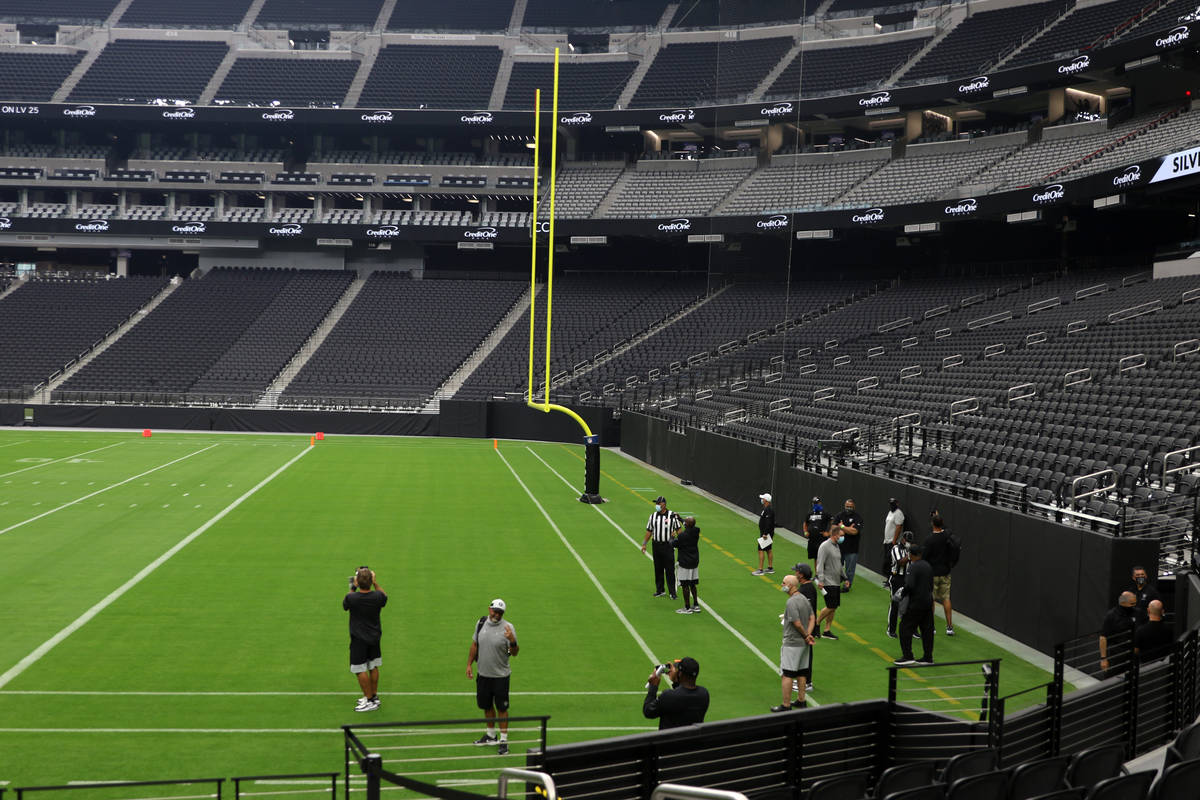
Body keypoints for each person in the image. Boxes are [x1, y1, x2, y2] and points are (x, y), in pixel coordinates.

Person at [467, 599, 519, 755]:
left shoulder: (508, 628)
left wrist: (512, 642)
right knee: (487, 706)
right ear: (489, 609)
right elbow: (475, 645)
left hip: (500, 676)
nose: (496, 614)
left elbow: (513, 654)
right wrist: (469, 664)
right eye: (495, 611)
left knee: (502, 708)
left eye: (500, 613)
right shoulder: (481, 623)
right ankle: (490, 735)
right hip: (483, 674)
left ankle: (503, 739)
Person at [344, 566, 387, 712]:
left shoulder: (352, 597)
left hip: (359, 640)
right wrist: (375, 583)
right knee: (373, 666)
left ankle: (369, 700)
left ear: (357, 581)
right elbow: (384, 596)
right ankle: (373, 697)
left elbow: (345, 603)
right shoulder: (377, 597)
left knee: (359, 669)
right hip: (374, 638)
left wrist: (353, 586)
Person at [772, 574, 816, 711]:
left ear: (791, 585)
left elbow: (796, 623)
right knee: (802, 673)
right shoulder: (803, 599)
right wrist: (808, 635)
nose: (782, 585)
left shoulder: (791, 602)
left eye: (784, 583)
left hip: (792, 643)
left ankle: (786, 705)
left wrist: (804, 634)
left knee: (787, 674)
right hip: (804, 644)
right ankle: (801, 700)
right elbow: (812, 617)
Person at [894, 544, 934, 666]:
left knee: (904, 628)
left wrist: (901, 593)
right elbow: (931, 585)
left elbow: (910, 585)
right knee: (927, 630)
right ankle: (928, 657)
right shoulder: (928, 566)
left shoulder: (913, 567)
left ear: (911, 555)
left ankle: (908, 656)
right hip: (928, 602)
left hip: (916, 603)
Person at [643, 657, 709, 729]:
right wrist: (676, 680)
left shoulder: (668, 696)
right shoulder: (704, 694)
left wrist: (653, 687)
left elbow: (648, 711)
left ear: (680, 673)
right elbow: (684, 694)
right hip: (692, 738)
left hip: (671, 739)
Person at [922, 512, 956, 635]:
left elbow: (924, 557)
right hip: (946, 572)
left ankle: (932, 627)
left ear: (932, 524)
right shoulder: (947, 536)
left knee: (931, 600)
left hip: (933, 573)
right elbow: (948, 530)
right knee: (946, 599)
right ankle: (949, 627)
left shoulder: (929, 539)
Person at [641, 495, 681, 599]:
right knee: (658, 568)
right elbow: (649, 531)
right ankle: (660, 590)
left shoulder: (672, 515)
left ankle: (672, 592)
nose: (657, 505)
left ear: (664, 504)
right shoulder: (653, 516)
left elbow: (679, 530)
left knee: (669, 570)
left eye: (658, 503)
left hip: (668, 546)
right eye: (656, 503)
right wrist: (644, 544)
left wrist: (677, 540)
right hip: (656, 545)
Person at [1099, 591, 1143, 676]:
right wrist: (1103, 658)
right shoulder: (1111, 615)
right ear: (1123, 603)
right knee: (1112, 680)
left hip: (1133, 655)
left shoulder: (1138, 612)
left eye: (1135, 603)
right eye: (1132, 603)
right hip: (1116, 656)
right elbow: (1103, 637)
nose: (1134, 605)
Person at [793, 562, 819, 693]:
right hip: (808, 628)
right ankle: (803, 680)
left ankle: (806, 682)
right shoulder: (810, 587)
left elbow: (805, 612)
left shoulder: (805, 590)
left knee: (804, 655)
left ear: (801, 575)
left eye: (796, 572)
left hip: (806, 630)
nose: (795, 574)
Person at [815, 524, 845, 640]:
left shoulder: (837, 546)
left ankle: (827, 630)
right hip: (827, 581)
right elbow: (820, 564)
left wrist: (845, 578)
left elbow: (839, 565)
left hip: (836, 581)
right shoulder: (825, 546)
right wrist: (821, 580)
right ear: (835, 535)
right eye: (841, 535)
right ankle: (816, 624)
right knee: (830, 606)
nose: (843, 538)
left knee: (834, 606)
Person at [886, 531, 914, 639]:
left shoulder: (910, 548)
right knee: (895, 603)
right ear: (902, 539)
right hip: (897, 578)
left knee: (910, 604)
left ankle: (912, 629)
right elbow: (900, 562)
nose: (908, 543)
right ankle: (891, 629)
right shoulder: (896, 549)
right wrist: (910, 555)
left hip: (907, 577)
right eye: (907, 541)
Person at [832, 499, 863, 591]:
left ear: (854, 507)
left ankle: (847, 586)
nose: (848, 508)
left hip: (852, 549)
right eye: (847, 506)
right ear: (844, 506)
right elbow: (834, 528)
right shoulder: (839, 515)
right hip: (839, 548)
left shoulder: (858, 517)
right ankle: (837, 583)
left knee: (849, 570)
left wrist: (842, 527)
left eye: (850, 507)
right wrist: (848, 529)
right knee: (837, 567)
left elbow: (854, 531)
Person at [673, 516, 702, 614]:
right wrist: (679, 518)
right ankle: (696, 605)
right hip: (694, 562)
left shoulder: (682, 536)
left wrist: (671, 537)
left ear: (687, 524)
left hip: (685, 563)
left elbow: (673, 544)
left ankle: (687, 607)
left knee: (685, 585)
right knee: (693, 584)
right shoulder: (696, 531)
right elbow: (689, 525)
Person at [1135, 600, 1173, 664]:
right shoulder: (1169, 630)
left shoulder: (1140, 630)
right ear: (1162, 611)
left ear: (1148, 610)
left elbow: (1136, 651)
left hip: (1145, 668)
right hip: (1163, 667)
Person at [881, 498, 905, 582]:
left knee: (891, 561)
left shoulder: (899, 513)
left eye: (893, 504)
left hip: (893, 541)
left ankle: (891, 580)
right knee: (887, 562)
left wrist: (894, 541)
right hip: (887, 541)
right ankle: (888, 579)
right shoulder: (890, 512)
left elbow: (898, 527)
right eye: (890, 504)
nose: (892, 505)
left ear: (897, 504)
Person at [752, 492, 776, 576]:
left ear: (766, 500)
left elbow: (768, 522)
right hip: (767, 533)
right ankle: (770, 568)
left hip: (766, 534)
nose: (761, 500)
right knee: (768, 549)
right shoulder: (767, 509)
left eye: (763, 499)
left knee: (761, 550)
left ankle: (760, 569)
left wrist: (765, 533)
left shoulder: (768, 510)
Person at [804, 497, 830, 563]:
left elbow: (833, 523)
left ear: (820, 503)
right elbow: (805, 523)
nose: (816, 505)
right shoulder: (810, 513)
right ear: (812, 504)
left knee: (822, 557)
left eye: (817, 503)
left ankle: (823, 573)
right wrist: (805, 532)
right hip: (812, 539)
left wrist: (829, 533)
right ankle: (817, 573)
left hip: (821, 539)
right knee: (816, 558)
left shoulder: (825, 513)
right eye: (814, 503)